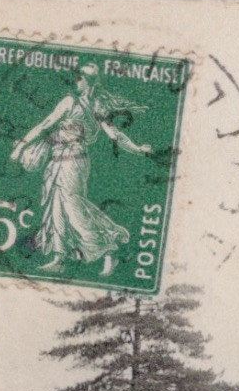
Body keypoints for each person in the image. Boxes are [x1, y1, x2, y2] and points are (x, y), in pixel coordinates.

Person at [8, 62, 153, 277]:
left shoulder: (75, 103)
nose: (76, 82)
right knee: (57, 205)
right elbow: (115, 136)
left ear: (86, 82)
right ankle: (59, 258)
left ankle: (106, 245)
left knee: (72, 205)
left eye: (79, 78)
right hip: (60, 159)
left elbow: (46, 124)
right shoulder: (95, 106)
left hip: (71, 161)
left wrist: (21, 146)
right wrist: (138, 149)